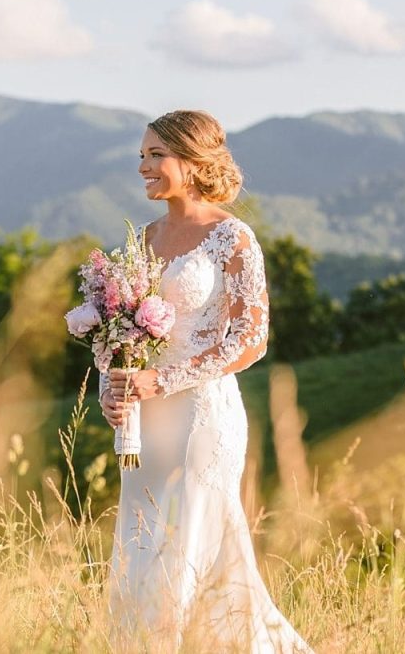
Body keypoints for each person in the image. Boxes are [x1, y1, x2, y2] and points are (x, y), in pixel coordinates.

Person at [100, 109, 312, 652]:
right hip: (143, 426)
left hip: (200, 416)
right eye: (142, 154)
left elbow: (250, 338)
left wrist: (163, 380)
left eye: (156, 155)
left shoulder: (232, 238)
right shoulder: (141, 238)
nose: (143, 165)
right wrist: (114, 385)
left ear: (193, 163)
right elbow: (123, 330)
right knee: (141, 547)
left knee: (190, 546)